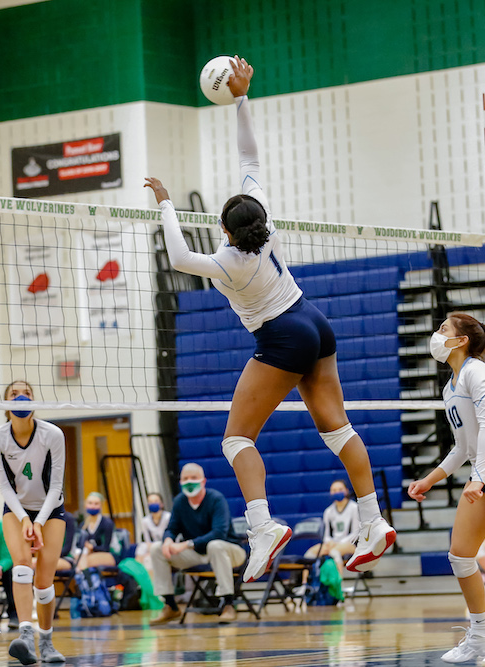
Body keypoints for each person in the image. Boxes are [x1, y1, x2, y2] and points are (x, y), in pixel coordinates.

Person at [144, 55, 395, 584]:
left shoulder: (228, 265)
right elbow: (249, 154)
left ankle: (262, 526)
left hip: (281, 335)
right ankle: (372, 521)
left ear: (228, 231)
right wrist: (240, 97)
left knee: (236, 440)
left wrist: (165, 204)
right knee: (337, 428)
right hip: (313, 319)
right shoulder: (264, 218)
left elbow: (180, 259)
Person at [408, 313, 485, 666]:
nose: (436, 334)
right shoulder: (451, 385)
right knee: (460, 554)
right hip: (482, 470)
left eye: (444, 329)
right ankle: (480, 635)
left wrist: (479, 477)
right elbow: (463, 446)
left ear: (461, 340)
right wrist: (430, 479)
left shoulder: (478, 371)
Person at [0, 380, 66, 664]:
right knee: (21, 567)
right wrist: (24, 519)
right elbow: (4, 487)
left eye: (27, 393)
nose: (21, 397)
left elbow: (56, 486)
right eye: (14, 394)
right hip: (16, 509)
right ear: (6, 404)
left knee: (44, 583)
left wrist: (39, 522)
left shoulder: (53, 434)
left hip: (51, 510)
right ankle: (24, 635)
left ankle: (46, 642)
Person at [149, 463, 246, 625]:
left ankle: (228, 604)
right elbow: (172, 528)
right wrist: (168, 540)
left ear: (203, 481)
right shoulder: (180, 502)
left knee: (215, 545)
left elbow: (219, 533)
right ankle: (170, 605)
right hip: (199, 553)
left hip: (229, 550)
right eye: (185, 478)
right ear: (180, 481)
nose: (189, 482)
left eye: (193, 478)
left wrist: (186, 544)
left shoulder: (216, 499)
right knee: (156, 549)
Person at [305, 480, 359, 577]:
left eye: (340, 489)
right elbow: (326, 535)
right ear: (330, 492)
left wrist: (339, 543)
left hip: (350, 544)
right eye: (334, 490)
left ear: (346, 491)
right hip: (333, 543)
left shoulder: (354, 508)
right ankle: (305, 585)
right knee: (309, 554)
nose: (337, 492)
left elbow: (356, 532)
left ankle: (338, 586)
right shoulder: (328, 511)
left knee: (334, 552)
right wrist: (330, 542)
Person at [75, 492, 117, 572]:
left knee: (84, 561)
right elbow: (79, 545)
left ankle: (86, 582)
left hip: (109, 554)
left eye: (96, 504)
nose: (93, 506)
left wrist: (92, 547)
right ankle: (86, 581)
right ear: (85, 505)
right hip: (87, 554)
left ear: (101, 505)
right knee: (78, 558)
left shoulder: (107, 523)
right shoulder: (83, 525)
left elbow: (106, 548)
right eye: (90, 503)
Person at [136, 493, 171, 568]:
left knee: (149, 559)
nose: (153, 503)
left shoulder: (168, 517)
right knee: (142, 548)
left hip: (167, 546)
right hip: (153, 546)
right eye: (150, 502)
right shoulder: (145, 521)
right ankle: (137, 571)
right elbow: (147, 541)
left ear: (161, 504)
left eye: (156, 501)